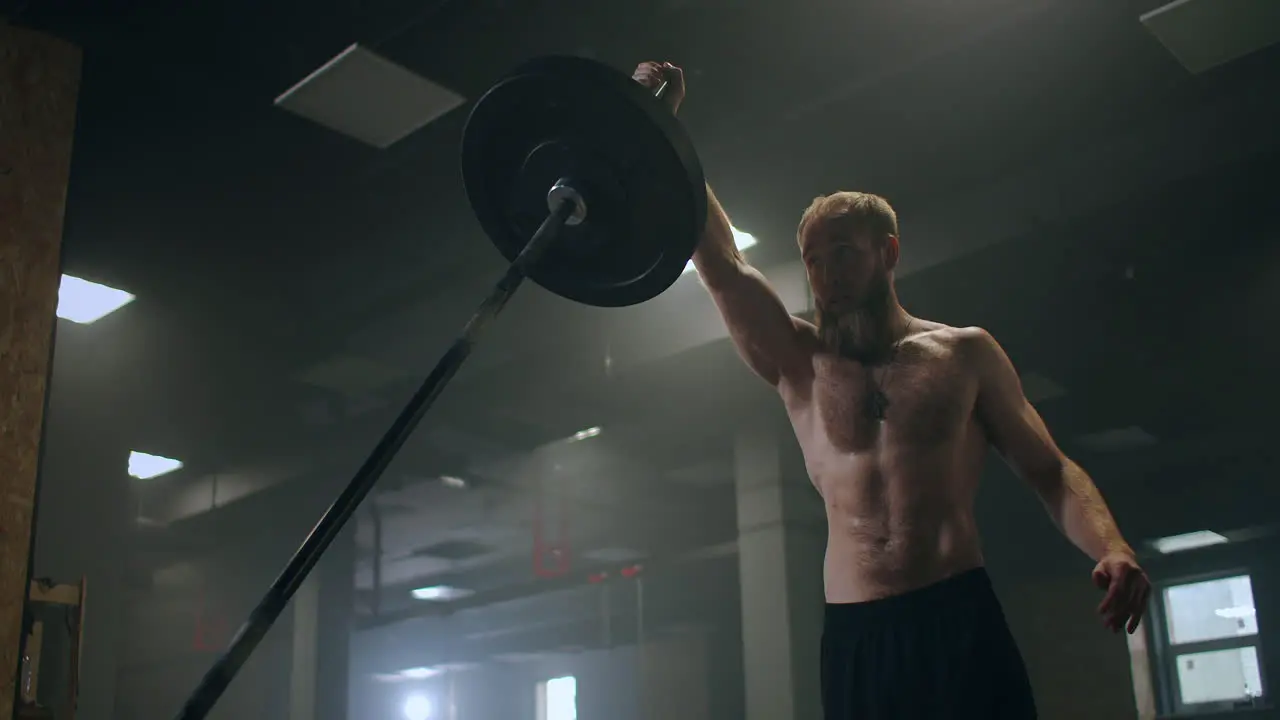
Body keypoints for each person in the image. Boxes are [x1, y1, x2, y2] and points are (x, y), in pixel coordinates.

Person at [633, 61, 1152, 719]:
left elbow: (1050, 473)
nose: (826, 276)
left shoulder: (964, 353)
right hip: (858, 635)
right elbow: (724, 263)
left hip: (956, 618)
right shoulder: (800, 361)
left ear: (889, 251)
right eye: (814, 261)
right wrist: (661, 124)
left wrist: (1113, 547)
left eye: (844, 253)